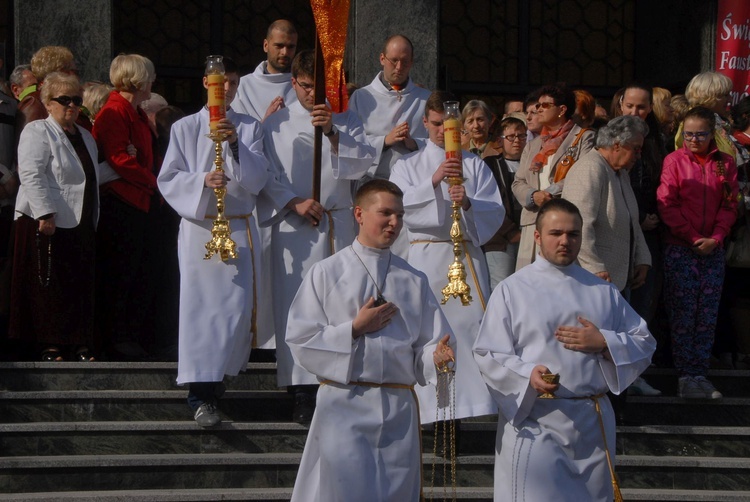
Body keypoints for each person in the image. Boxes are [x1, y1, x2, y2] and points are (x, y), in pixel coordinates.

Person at [473, 198, 656, 502]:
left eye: (573, 234)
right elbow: (488, 353)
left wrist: (605, 343)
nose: (564, 241)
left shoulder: (601, 290)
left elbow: (645, 341)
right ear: (537, 236)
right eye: (555, 233)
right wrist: (528, 374)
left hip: (591, 423)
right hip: (536, 420)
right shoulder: (513, 289)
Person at [286, 179, 456, 502]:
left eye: (400, 215)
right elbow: (300, 338)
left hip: (397, 408)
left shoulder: (413, 279)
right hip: (344, 404)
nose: (395, 222)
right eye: (386, 213)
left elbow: (427, 343)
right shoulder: (327, 272)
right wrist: (352, 329)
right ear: (359, 214)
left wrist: (436, 357)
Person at [258, 50, 374, 423]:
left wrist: (332, 133)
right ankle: (302, 391)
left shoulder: (346, 118)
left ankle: (339, 381)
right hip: (296, 227)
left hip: (339, 223)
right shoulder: (275, 124)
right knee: (298, 307)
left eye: (319, 87)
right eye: (305, 86)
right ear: (294, 83)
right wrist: (293, 201)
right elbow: (266, 175)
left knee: (340, 306)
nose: (312, 94)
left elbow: (363, 163)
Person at [158, 56, 269, 426]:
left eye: (233, 84)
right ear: (206, 84)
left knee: (234, 311)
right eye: (220, 84)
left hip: (237, 226)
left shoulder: (250, 127)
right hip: (200, 227)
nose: (226, 90)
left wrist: (236, 146)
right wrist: (201, 180)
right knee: (201, 310)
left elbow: (257, 179)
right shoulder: (186, 127)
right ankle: (199, 394)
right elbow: (169, 178)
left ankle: (217, 379)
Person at [390, 90, 502, 423]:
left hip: (465, 256)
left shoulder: (475, 165)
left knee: (469, 329)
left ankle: (470, 408)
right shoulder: (408, 165)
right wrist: (433, 182)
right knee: (428, 333)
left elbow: (494, 211)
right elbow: (399, 207)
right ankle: (429, 410)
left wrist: (468, 203)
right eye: (437, 124)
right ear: (425, 123)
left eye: (449, 124)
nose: (442, 131)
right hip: (425, 256)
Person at [10, 72, 100, 362]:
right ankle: (50, 344)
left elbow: (90, 178)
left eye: (76, 100)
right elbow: (31, 174)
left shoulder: (85, 135)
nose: (71, 106)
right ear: (48, 103)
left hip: (81, 219)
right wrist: (45, 213)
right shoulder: (37, 131)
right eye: (64, 100)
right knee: (48, 284)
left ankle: (78, 342)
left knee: (77, 282)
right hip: (45, 219)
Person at [658, 106, 738, 400]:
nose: (693, 140)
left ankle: (700, 373)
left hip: (713, 249)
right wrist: (693, 237)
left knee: (707, 313)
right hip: (682, 248)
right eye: (688, 134)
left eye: (700, 134)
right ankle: (685, 376)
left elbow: (730, 204)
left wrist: (716, 237)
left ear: (711, 134)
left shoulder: (725, 163)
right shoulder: (674, 161)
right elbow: (667, 204)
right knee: (683, 313)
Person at [92, 53, 158, 360]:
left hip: (137, 200)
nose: (153, 81)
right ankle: (116, 337)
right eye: (149, 76)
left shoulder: (135, 112)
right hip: (123, 202)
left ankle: (130, 334)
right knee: (121, 272)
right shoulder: (115, 112)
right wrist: (153, 182)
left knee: (137, 271)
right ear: (139, 79)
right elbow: (119, 159)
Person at [562, 115, 651, 293]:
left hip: (618, 278)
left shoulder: (620, 172)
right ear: (617, 144)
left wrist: (642, 258)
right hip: (594, 279)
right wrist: (594, 267)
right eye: (636, 149)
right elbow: (579, 225)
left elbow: (631, 220)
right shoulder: (590, 168)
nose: (638, 156)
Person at [512, 83, 595, 270]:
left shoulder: (583, 138)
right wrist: (534, 196)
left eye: (545, 105)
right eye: (538, 105)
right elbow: (518, 182)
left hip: (564, 220)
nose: (538, 109)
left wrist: (548, 194)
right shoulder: (533, 145)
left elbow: (582, 176)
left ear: (562, 110)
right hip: (533, 220)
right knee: (530, 285)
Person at [349, 34, 432, 183]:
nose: (399, 67)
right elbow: (350, 144)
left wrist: (414, 143)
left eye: (405, 62)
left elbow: (438, 143)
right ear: (382, 59)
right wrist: (385, 141)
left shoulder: (426, 99)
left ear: (412, 63)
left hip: (413, 183)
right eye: (394, 60)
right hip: (372, 182)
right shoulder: (361, 97)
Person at [483, 115, 526, 288]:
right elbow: (488, 203)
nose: (517, 141)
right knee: (502, 286)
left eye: (522, 136)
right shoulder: (490, 164)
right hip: (500, 238)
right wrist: (510, 232)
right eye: (511, 136)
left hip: (528, 236)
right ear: (500, 140)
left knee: (525, 287)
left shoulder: (532, 164)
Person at [233, 19, 298, 121]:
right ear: (266, 45)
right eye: (279, 46)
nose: (285, 52)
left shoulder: (304, 87)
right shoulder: (242, 87)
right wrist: (266, 123)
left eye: (291, 47)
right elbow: (238, 132)